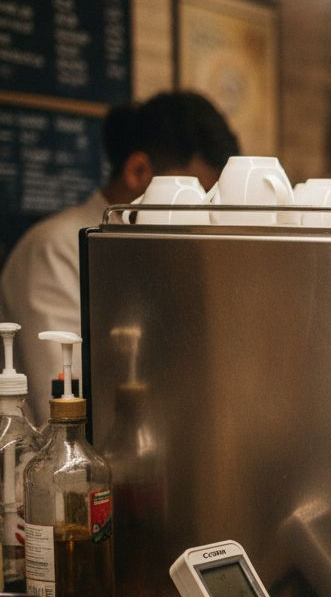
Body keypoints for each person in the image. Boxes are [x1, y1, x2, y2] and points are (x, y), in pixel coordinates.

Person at [0, 91, 238, 423]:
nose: (203, 213)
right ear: (138, 171)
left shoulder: (155, 250)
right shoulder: (55, 248)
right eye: (193, 194)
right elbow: (62, 400)